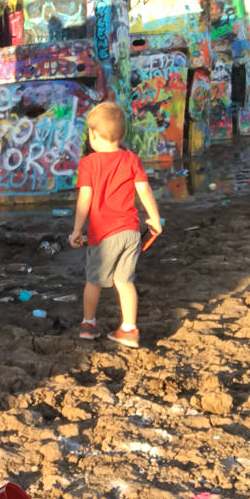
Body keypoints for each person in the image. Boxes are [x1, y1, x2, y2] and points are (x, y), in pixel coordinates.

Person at [68, 101, 162, 349]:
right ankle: (129, 329)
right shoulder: (132, 159)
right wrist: (154, 218)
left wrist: (77, 230)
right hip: (130, 232)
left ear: (94, 135)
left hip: (103, 234)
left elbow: (84, 200)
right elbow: (144, 190)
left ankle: (88, 323)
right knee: (125, 281)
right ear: (121, 135)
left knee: (94, 280)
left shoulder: (89, 163)